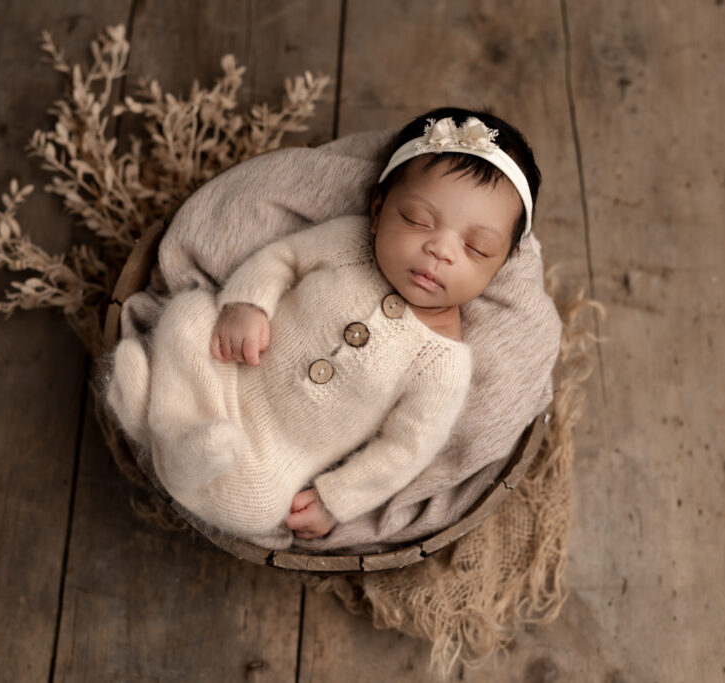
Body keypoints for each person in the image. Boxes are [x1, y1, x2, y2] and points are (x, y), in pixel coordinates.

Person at [106, 107, 541, 549]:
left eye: (476, 247)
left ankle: (166, 433)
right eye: (417, 220)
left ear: (499, 268)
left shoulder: (444, 364)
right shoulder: (348, 242)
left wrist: (335, 500)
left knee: (259, 506)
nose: (440, 249)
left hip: (271, 451)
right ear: (378, 209)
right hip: (227, 367)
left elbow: (403, 451)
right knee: (190, 315)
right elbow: (283, 258)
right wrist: (247, 305)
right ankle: (168, 426)